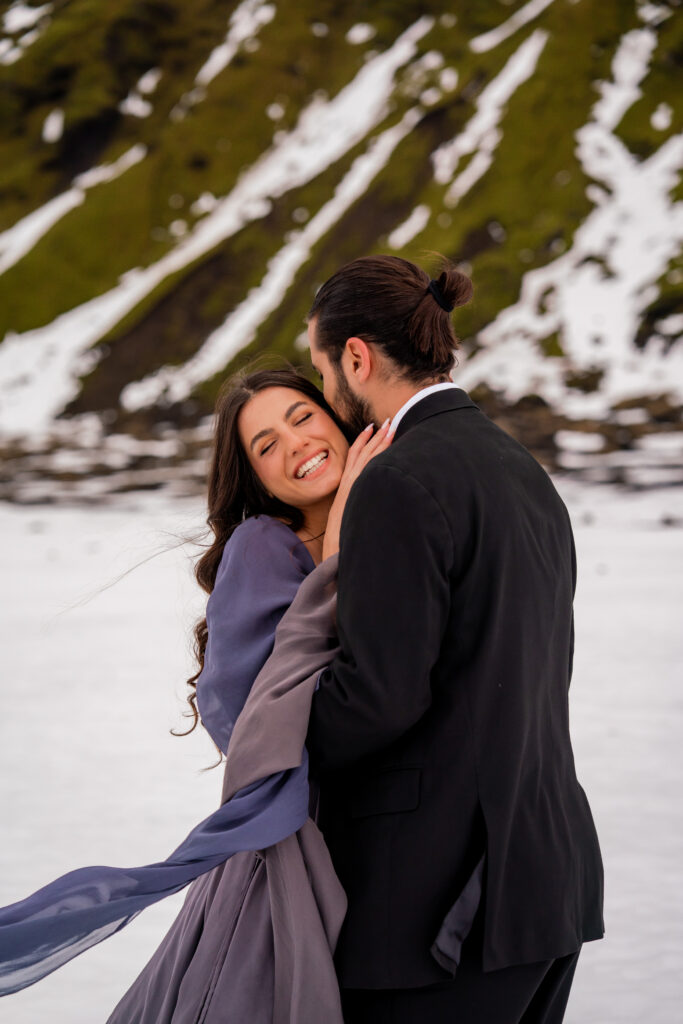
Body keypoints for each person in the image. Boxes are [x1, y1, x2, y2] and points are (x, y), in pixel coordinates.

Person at [254, 254, 605, 1024]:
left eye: (322, 371)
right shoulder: (522, 469)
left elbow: (380, 697)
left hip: (438, 910)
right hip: (546, 882)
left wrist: (271, 735)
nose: (327, 396)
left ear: (356, 357)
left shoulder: (397, 480)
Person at [0, 367, 393, 1022]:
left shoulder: (395, 526)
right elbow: (235, 711)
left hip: (377, 830)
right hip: (286, 838)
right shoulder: (263, 545)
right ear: (257, 480)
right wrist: (344, 532)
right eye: (265, 446)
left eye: (301, 418)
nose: (293, 445)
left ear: (336, 416)